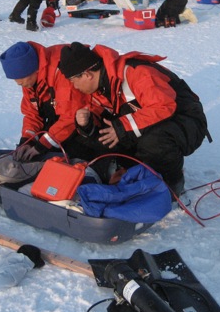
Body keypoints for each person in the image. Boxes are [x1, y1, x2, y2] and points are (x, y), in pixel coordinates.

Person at [57, 42, 210, 196]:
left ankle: (171, 186)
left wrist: (122, 127)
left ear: (87, 74)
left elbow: (164, 105)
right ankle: (132, 173)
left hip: (186, 120)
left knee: (152, 140)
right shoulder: (97, 90)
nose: (74, 86)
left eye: (72, 80)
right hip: (149, 123)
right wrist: (86, 125)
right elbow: (104, 128)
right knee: (103, 136)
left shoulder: (136, 73)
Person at [0, 41, 90, 162]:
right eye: (15, 79)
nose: (18, 83)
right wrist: (27, 141)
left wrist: (42, 146)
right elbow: (32, 114)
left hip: (86, 121)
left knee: (75, 154)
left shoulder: (61, 71)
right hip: (61, 117)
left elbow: (70, 117)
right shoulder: (30, 80)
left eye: (21, 78)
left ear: (35, 70)